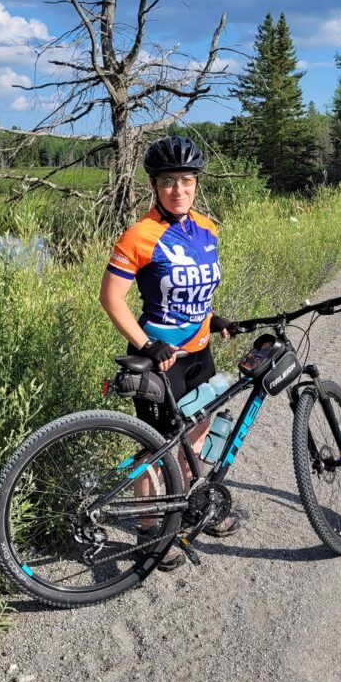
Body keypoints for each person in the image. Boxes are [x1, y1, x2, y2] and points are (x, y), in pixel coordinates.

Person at [99, 135, 242, 571]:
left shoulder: (207, 229)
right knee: (153, 451)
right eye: (167, 182)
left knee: (196, 433)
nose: (178, 189)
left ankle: (184, 508)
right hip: (159, 361)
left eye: (186, 180)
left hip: (200, 354)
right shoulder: (139, 236)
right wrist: (147, 343)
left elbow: (198, 290)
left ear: (196, 182)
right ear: (155, 186)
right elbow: (111, 298)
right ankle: (148, 531)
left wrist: (213, 320)